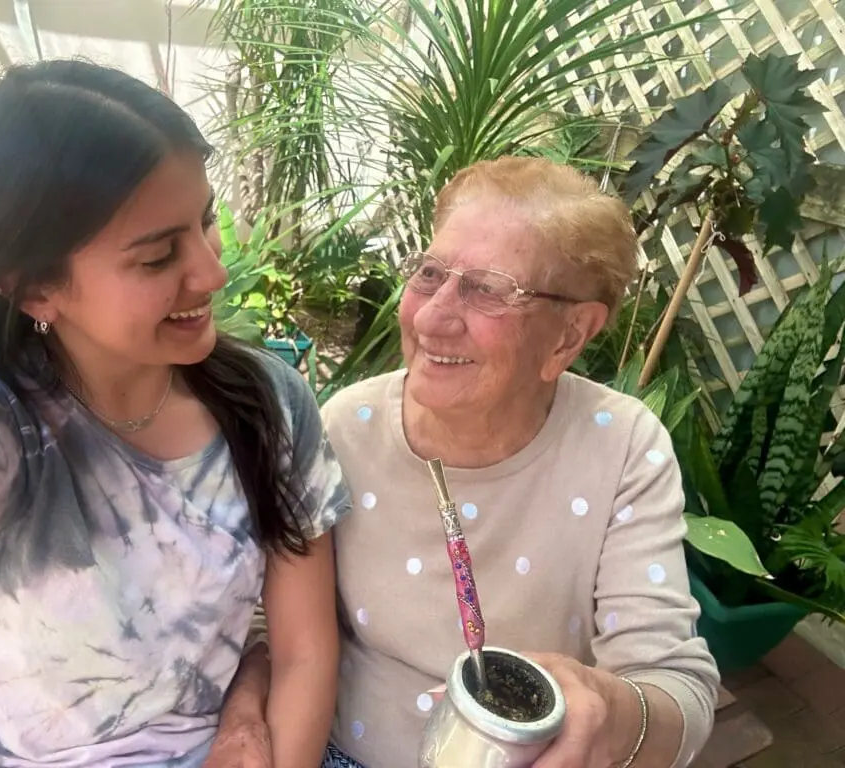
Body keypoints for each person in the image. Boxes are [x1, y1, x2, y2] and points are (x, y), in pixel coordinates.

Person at [0, 59, 350, 768]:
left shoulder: (269, 401)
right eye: (159, 256)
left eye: (206, 220)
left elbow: (305, 652)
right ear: (35, 289)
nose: (213, 271)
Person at [245, 156, 721, 768]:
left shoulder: (621, 446)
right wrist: (245, 716)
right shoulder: (347, 424)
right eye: (430, 273)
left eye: (488, 290)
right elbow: (274, 621)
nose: (432, 317)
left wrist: (608, 711)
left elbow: (676, 686)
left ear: (570, 335)